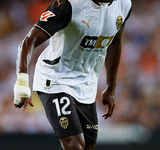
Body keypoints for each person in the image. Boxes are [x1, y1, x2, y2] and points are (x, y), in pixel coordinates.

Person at [13, 0, 132, 149]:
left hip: (86, 83)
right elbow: (29, 40)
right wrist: (22, 82)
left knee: (87, 146)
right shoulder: (69, 4)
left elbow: (115, 41)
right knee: (74, 145)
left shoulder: (124, 5)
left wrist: (110, 87)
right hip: (55, 78)